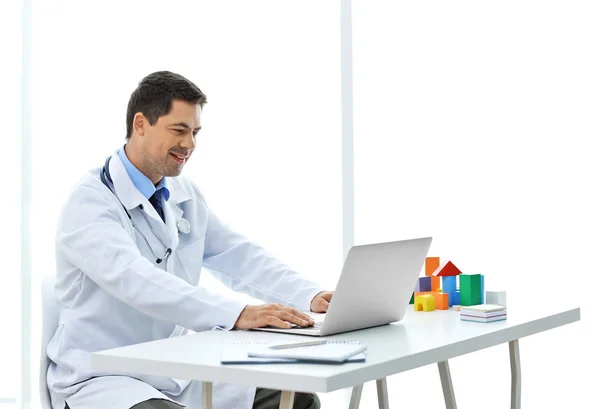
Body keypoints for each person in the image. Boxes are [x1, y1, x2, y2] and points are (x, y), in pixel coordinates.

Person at [46, 71, 333, 409]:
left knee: (297, 401)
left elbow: (237, 254)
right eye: (179, 130)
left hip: (176, 371)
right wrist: (237, 312)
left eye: (195, 132)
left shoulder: (182, 194)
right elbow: (137, 280)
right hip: (104, 375)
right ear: (140, 124)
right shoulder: (90, 203)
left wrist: (310, 295)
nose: (190, 145)